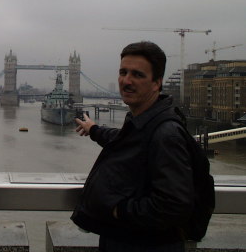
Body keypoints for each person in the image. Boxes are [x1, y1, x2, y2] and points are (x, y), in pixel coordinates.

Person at [71, 41, 194, 252]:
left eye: (137, 75)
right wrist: (94, 129)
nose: (126, 81)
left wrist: (118, 209)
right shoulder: (144, 121)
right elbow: (125, 141)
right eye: (123, 72)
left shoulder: (166, 133)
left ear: (157, 83)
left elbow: (175, 206)